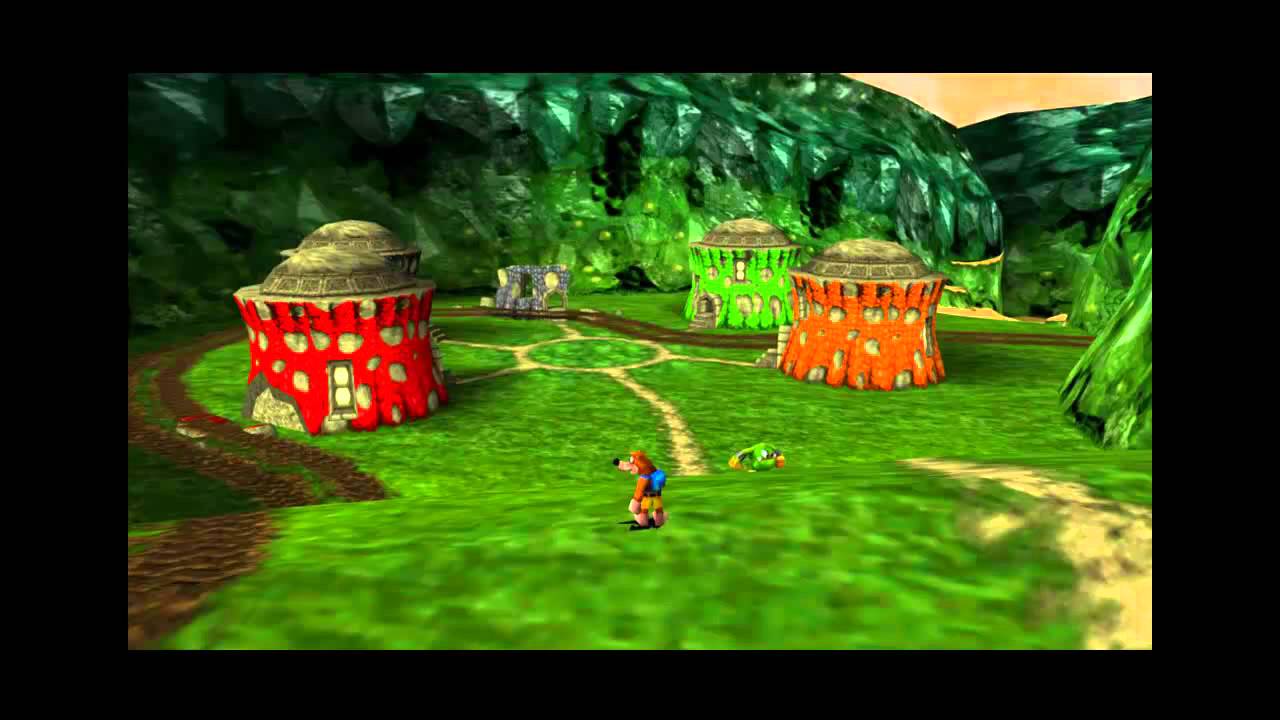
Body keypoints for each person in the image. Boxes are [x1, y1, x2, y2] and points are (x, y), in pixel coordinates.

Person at [613, 451, 668, 530]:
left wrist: (634, 504)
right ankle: (659, 521)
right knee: (659, 510)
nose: (630, 464)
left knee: (643, 511)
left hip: (647, 498)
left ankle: (643, 522)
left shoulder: (644, 478)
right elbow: (661, 485)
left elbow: (639, 492)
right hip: (657, 497)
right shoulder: (655, 472)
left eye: (632, 462)